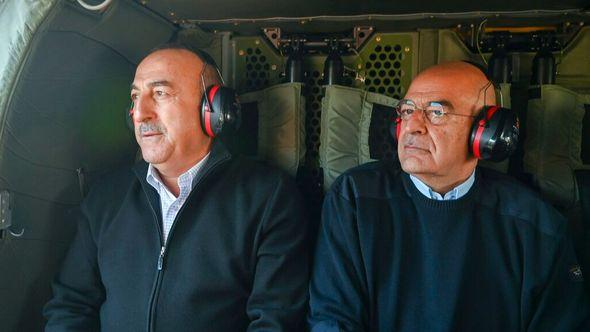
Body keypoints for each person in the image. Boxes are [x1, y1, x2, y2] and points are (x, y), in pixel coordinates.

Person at [44, 44, 310, 331]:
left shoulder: (268, 198)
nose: (139, 114)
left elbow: (275, 322)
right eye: (135, 97)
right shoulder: (106, 197)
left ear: (214, 110)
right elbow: (71, 305)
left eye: (160, 93)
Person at [308, 61, 590, 331]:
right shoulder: (355, 199)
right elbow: (332, 318)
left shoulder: (536, 225)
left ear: (487, 133)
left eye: (436, 112)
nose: (412, 126)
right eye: (407, 110)